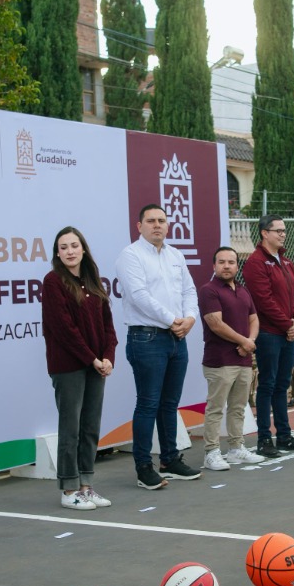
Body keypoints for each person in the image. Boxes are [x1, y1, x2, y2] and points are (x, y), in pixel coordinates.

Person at [117, 204, 202, 489]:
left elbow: (189, 290)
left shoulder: (175, 254)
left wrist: (189, 318)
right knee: (148, 404)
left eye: (161, 221)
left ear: (168, 226)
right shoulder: (130, 256)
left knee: (170, 404)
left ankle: (170, 460)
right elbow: (139, 296)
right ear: (139, 226)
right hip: (147, 338)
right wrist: (173, 319)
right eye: (150, 221)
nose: (157, 225)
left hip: (177, 337)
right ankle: (144, 467)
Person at [41, 226, 118, 510]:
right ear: (57, 253)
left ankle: (86, 486)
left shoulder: (93, 280)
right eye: (64, 247)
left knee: (90, 427)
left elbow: (108, 325)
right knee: (70, 428)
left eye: (74, 245)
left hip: (96, 365)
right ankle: (69, 488)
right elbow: (64, 330)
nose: (70, 251)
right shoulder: (53, 282)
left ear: (83, 249)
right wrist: (92, 359)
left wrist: (108, 356)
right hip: (69, 366)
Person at [241, 215, 294, 458]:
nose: (282, 234)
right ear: (264, 233)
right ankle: (264, 439)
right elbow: (263, 301)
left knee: (282, 385)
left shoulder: (287, 262)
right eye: (277, 230)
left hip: (288, 332)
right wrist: (286, 324)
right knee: (268, 385)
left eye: (284, 230)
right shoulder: (256, 263)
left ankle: (284, 435)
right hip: (270, 334)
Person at [197, 247, 266, 470]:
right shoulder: (209, 291)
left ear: (237, 266)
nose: (226, 266)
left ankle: (236, 448)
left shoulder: (244, 291)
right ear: (214, 266)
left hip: (243, 360)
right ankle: (211, 453)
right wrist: (243, 341)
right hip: (220, 360)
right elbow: (215, 323)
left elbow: (254, 319)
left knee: (238, 407)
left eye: (231, 262)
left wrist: (250, 341)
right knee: (216, 408)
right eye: (222, 262)